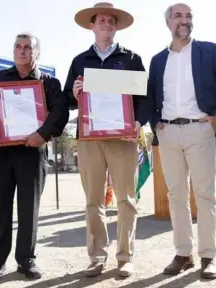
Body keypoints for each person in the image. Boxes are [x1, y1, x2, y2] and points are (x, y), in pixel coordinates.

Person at [139, 3, 216, 280]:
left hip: (199, 130)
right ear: (168, 22)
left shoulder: (210, 51)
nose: (185, 20)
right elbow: (150, 94)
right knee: (176, 196)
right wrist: (155, 122)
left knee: (204, 195)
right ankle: (183, 254)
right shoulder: (157, 60)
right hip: (168, 134)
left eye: (189, 16)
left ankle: (208, 256)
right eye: (178, 16)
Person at [64, 2, 148, 278]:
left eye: (111, 20)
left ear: (116, 26)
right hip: (89, 138)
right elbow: (66, 100)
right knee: (93, 201)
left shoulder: (132, 58)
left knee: (127, 199)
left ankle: (125, 257)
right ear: (92, 25)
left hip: (123, 138)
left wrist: (137, 123)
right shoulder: (79, 60)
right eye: (101, 20)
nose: (106, 24)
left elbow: (145, 100)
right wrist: (75, 93)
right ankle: (97, 256)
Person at [0, 33, 70, 283]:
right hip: (2, 153)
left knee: (29, 209)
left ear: (36, 53)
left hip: (33, 152)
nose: (22, 51)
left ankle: (26, 260)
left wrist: (43, 133)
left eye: (28, 47)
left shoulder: (49, 83)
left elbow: (60, 112)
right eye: (18, 46)